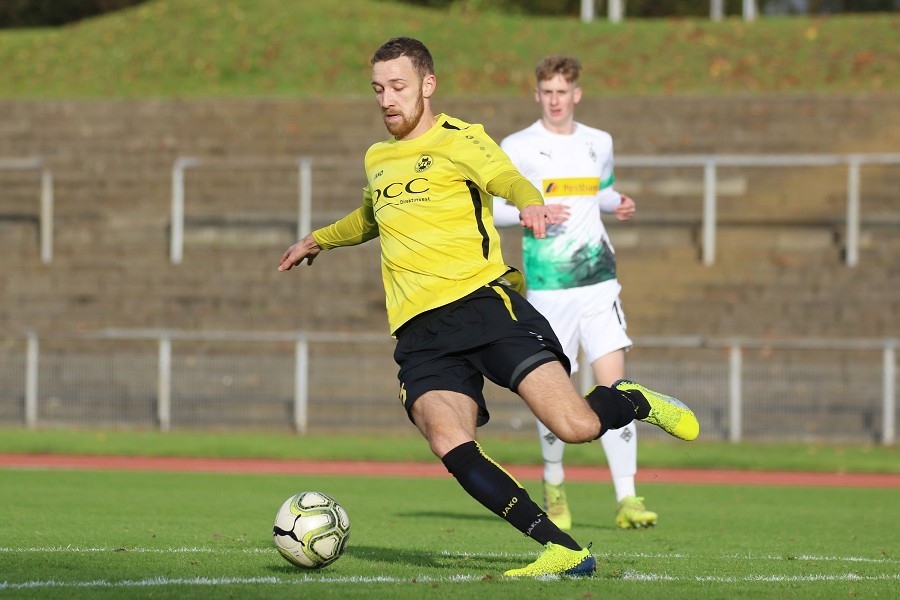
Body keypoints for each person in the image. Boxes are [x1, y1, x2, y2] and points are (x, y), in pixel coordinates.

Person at [278, 37, 699, 578]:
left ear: (427, 85)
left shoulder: (462, 138)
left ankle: (630, 400)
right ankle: (562, 548)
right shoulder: (377, 157)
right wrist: (318, 240)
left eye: (398, 87)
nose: (387, 99)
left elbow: (507, 177)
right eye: (378, 89)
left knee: (574, 426)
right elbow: (369, 218)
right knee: (447, 440)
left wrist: (530, 204)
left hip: (483, 308)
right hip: (418, 335)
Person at [492, 55, 655, 531]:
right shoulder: (518, 147)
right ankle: (554, 484)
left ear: (576, 94)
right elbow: (495, 210)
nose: (555, 100)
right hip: (547, 289)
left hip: (600, 282)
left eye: (563, 92)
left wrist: (616, 202)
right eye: (547, 92)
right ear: (536, 94)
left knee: (615, 388)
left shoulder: (598, 142)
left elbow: (599, 191)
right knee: (555, 392)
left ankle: (627, 498)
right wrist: (531, 212)